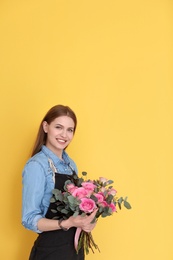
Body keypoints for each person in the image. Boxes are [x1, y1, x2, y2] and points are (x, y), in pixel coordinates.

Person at [22, 104, 97, 260]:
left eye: (70, 130)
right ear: (46, 126)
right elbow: (29, 219)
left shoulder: (71, 165)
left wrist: (86, 222)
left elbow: (76, 211)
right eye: (58, 127)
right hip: (51, 251)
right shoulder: (36, 166)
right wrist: (66, 223)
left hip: (74, 249)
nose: (64, 134)